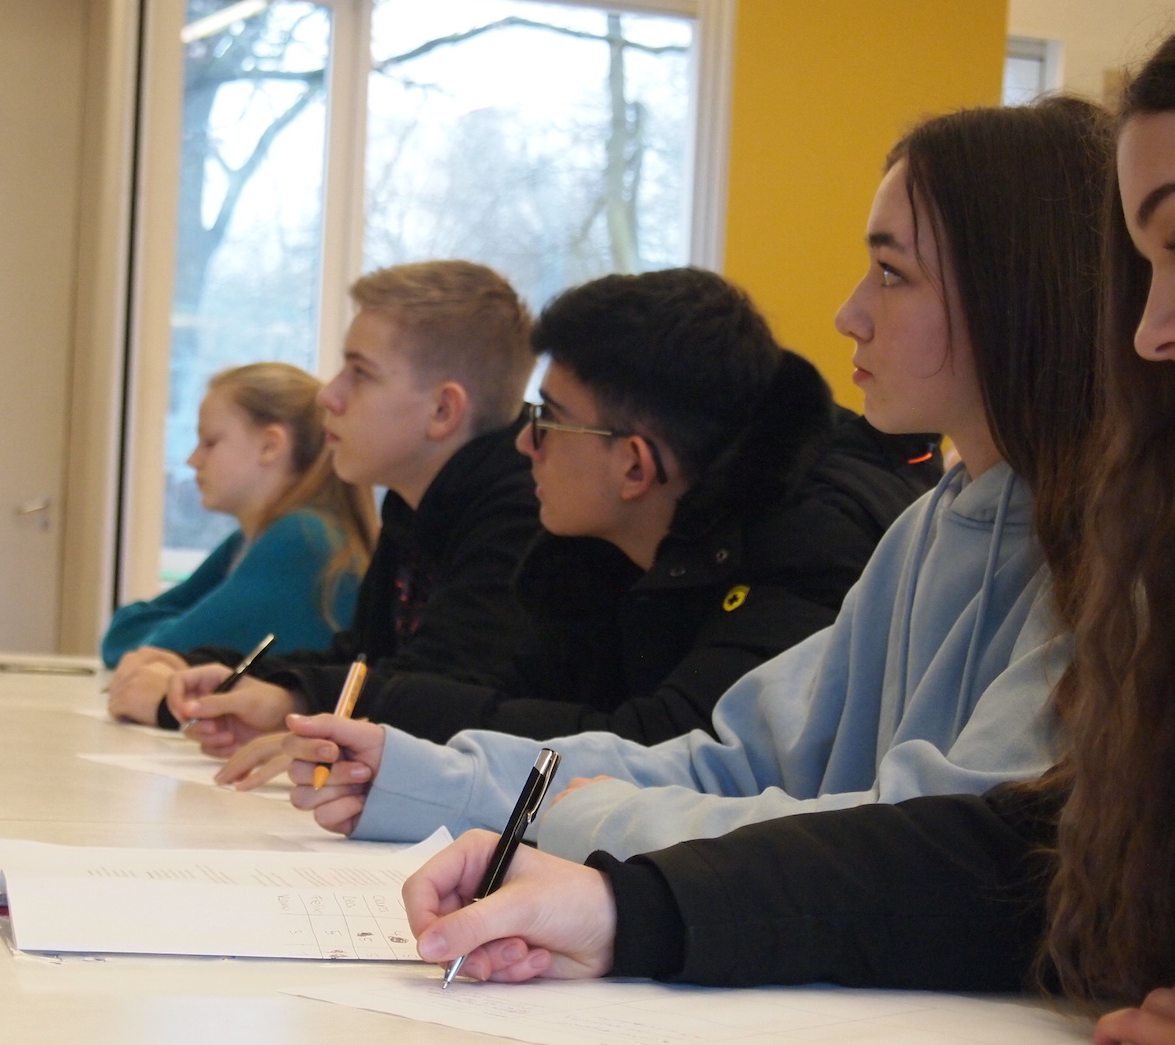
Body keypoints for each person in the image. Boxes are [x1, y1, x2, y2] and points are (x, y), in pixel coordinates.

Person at [382, 3, 1175, 1043]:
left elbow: (988, 850)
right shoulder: (955, 528)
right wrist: (581, 870)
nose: (1152, 329)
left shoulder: (1118, 547)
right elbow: (998, 835)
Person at [281, 96, 1103, 857]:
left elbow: (933, 840)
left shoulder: (1094, 551)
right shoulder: (927, 529)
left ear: (1013, 295)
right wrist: (429, 776)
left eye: (891, 273)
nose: (849, 314)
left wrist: (586, 817)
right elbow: (730, 760)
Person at [199, 266, 934, 781]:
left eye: (549, 419)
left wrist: (360, 716)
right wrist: (325, 705)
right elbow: (535, 703)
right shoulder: (597, 545)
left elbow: (660, 749)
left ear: (635, 467)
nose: (524, 442)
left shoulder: (813, 544)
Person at [106, 260, 542, 735]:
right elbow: (361, 661)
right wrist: (206, 669)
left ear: (442, 409)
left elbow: (439, 693)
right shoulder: (416, 506)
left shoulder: (521, 516)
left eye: (360, 373)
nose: (328, 396)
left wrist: (258, 701)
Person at [103, 363, 375, 692]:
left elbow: (152, 651)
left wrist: (155, 630)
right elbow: (128, 637)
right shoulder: (254, 538)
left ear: (270, 445)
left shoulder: (300, 539)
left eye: (210, 442)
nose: (192, 460)